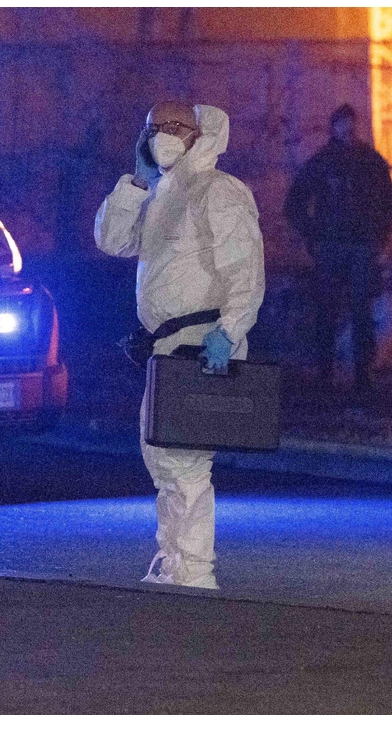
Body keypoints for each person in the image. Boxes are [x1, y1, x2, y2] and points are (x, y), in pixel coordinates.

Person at [95, 102, 265, 589]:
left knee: (183, 459)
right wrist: (136, 183)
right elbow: (111, 240)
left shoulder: (219, 190)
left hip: (202, 341)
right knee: (163, 456)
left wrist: (229, 331)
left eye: (175, 126)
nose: (163, 135)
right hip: (168, 346)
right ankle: (175, 561)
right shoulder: (160, 193)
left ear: (198, 133)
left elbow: (245, 268)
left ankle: (192, 569)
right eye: (153, 128)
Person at [284, 103, 392, 397]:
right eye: (342, 124)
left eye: (350, 124)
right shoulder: (324, 162)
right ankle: (328, 374)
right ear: (334, 127)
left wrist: (377, 238)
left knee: (359, 311)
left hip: (357, 247)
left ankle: (361, 375)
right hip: (334, 247)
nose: (347, 130)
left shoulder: (368, 162)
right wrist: (314, 237)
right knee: (328, 310)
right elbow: (295, 202)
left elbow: (388, 202)